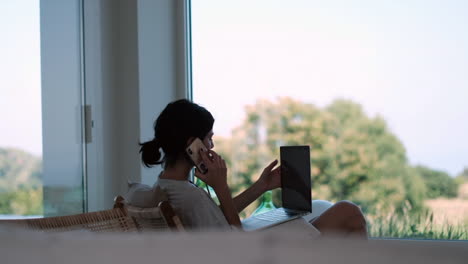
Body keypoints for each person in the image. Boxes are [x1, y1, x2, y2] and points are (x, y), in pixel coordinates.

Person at [139, 99, 368, 238]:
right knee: (349, 213)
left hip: (247, 247)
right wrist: (220, 185)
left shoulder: (169, 185)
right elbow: (236, 242)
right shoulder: (188, 196)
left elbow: (217, 218)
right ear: (192, 145)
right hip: (254, 253)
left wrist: (261, 186)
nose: (212, 146)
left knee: (315, 214)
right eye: (209, 138)